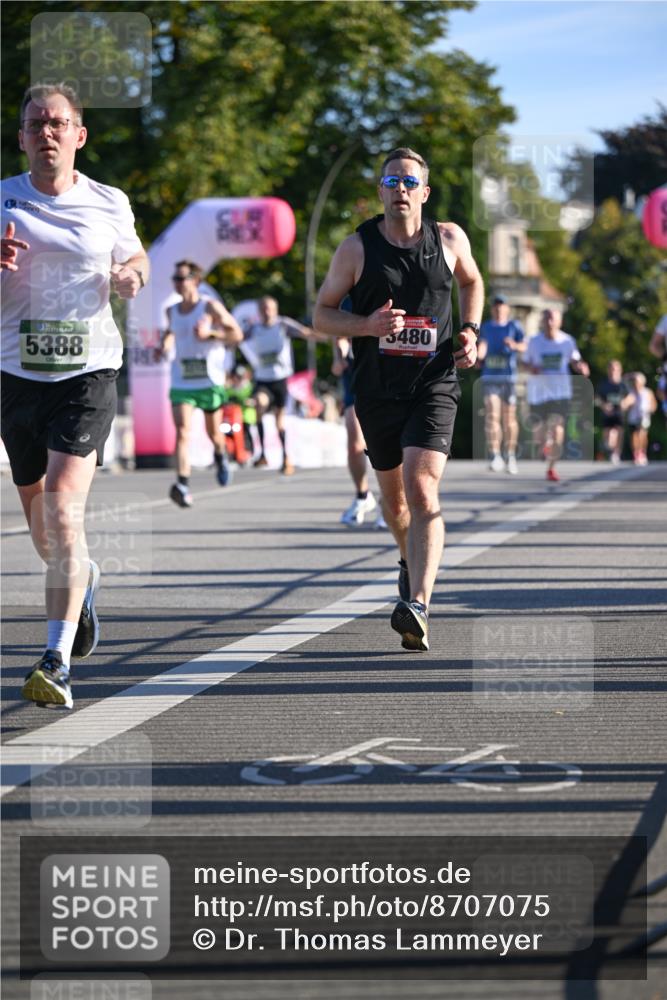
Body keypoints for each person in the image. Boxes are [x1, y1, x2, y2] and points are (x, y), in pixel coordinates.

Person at [1, 82, 149, 709]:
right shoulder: (2, 198)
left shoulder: (108, 201)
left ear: (79, 135)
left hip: (86, 373)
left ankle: (56, 659)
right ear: (22, 138)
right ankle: (81, 579)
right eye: (36, 125)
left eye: (58, 123)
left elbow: (137, 260)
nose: (47, 134)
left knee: (63, 511)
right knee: (44, 527)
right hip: (15, 375)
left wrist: (129, 276)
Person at [313, 147, 483, 652]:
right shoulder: (356, 248)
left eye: (410, 182)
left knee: (422, 486)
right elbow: (322, 315)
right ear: (380, 191)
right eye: (392, 182)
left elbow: (471, 280)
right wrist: (365, 325)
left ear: (424, 193)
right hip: (377, 389)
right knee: (395, 504)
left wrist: (471, 330)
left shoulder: (449, 238)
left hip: (434, 382)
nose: (401, 190)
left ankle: (418, 604)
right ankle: (408, 558)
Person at [159, 260, 243, 507]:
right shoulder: (171, 311)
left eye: (181, 278)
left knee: (214, 433)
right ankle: (182, 483)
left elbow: (236, 334)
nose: (176, 282)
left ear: (195, 281)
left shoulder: (210, 307)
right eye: (174, 278)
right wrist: (163, 345)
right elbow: (172, 332)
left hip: (209, 381)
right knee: (183, 430)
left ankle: (221, 455)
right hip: (182, 380)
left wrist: (211, 335)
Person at [240, 296, 317, 475]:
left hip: (280, 379)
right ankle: (262, 454)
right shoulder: (254, 328)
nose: (266, 312)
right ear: (258, 311)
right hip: (262, 379)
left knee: (279, 421)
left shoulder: (283, 324)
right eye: (263, 309)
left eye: (269, 308)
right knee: (259, 403)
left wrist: (324, 334)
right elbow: (238, 337)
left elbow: (305, 332)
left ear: (275, 309)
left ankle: (285, 457)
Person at [525, 309, 590, 482]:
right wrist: (531, 369)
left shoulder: (567, 341)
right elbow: (524, 362)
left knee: (557, 428)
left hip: (560, 392)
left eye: (552, 318)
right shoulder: (533, 341)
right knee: (538, 434)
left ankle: (551, 468)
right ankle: (543, 445)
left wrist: (581, 368)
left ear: (559, 321)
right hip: (538, 393)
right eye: (546, 318)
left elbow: (575, 360)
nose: (549, 322)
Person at [332, 337, 387, 529]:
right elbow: (335, 324)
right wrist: (338, 355)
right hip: (355, 372)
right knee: (355, 442)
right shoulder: (344, 305)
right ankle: (363, 495)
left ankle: (389, 501)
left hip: (386, 369)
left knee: (386, 441)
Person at [476, 295, 526, 474]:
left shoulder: (514, 326)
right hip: (490, 377)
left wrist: (514, 345)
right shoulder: (486, 327)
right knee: (492, 413)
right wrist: (478, 356)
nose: (498, 309)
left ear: (507, 309)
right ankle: (495, 455)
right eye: (495, 306)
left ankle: (510, 455)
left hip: (509, 378)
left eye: (501, 306)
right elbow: (482, 344)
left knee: (509, 418)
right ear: (492, 309)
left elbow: (524, 346)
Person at [594, 359, 631, 464]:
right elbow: (597, 397)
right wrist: (604, 406)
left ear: (620, 370)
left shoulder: (624, 384)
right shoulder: (604, 383)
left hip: (619, 413)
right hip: (607, 413)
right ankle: (608, 448)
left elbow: (631, 397)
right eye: (611, 369)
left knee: (618, 432)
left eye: (615, 369)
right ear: (608, 370)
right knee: (608, 435)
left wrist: (625, 402)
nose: (613, 371)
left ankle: (616, 454)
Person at [624, 372, 657, 466]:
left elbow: (653, 404)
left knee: (642, 434)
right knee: (634, 436)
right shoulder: (630, 392)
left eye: (637, 381)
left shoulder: (647, 392)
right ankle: (636, 454)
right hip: (633, 417)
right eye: (635, 381)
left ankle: (642, 452)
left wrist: (650, 410)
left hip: (644, 417)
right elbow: (626, 403)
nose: (636, 383)